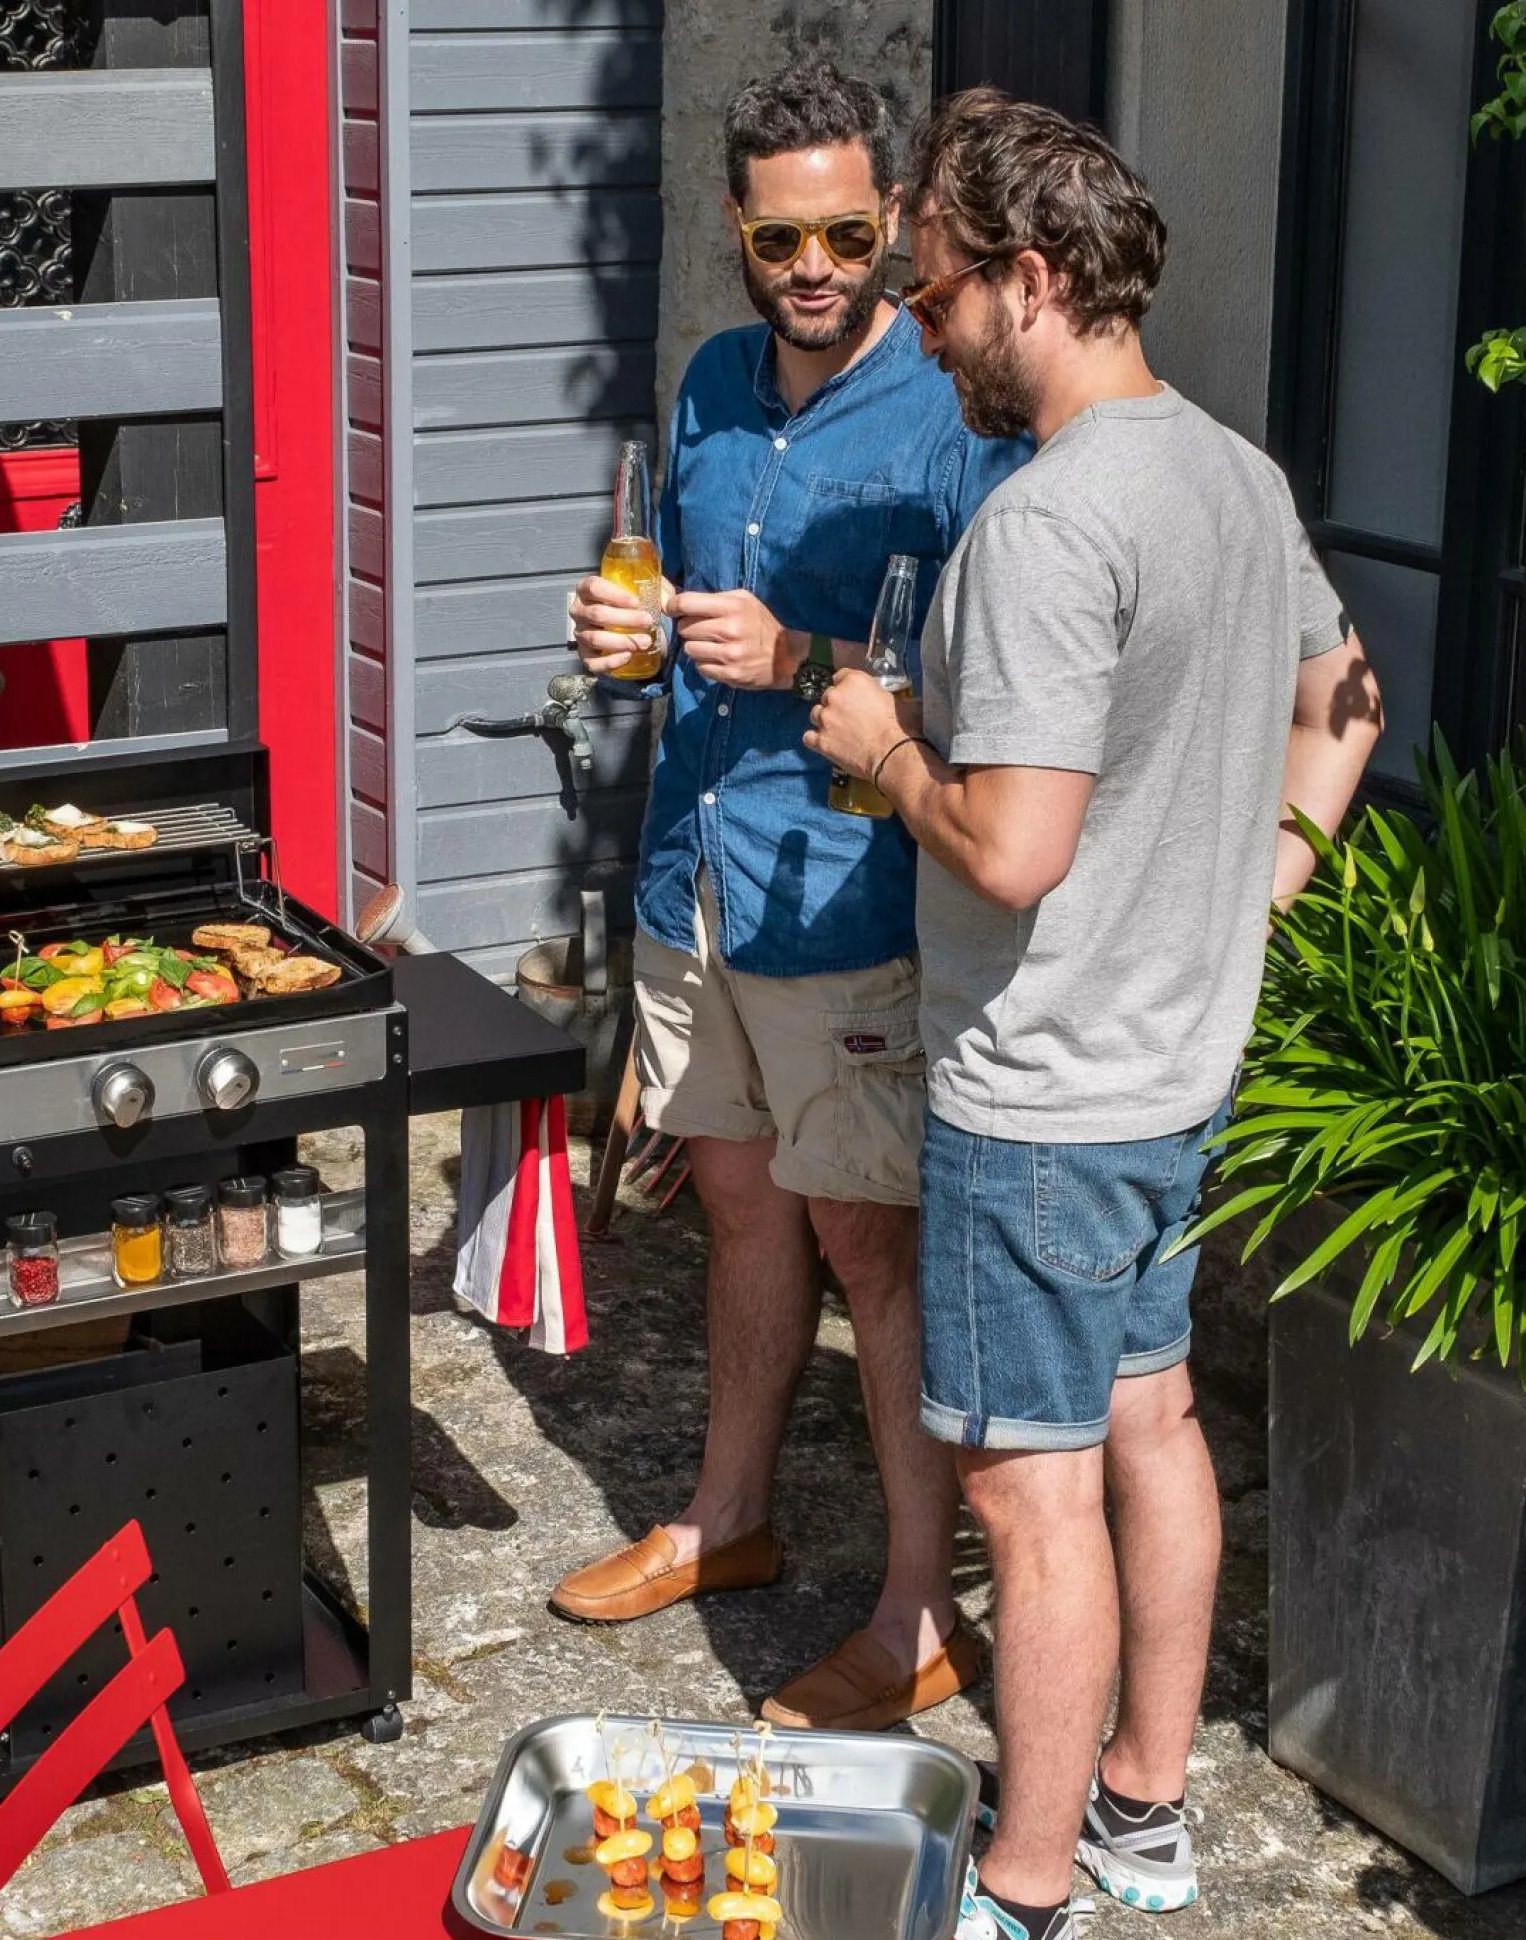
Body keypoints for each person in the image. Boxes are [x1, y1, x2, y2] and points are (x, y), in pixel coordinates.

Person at [808, 90, 1382, 1938]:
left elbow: (1016, 846)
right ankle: (1146, 1808)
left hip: (1044, 1094)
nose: (924, 323)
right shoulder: (1233, 472)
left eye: (942, 288)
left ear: (1033, 281)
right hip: (1179, 1073)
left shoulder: (1052, 526)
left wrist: (889, 748)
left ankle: (1031, 1885)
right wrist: (1257, 879)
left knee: (1029, 1502)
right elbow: (1347, 698)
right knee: (1157, 1424)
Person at [554, 57, 1027, 1733]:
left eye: (843, 230)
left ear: (892, 219)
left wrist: (810, 652)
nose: (813, 266)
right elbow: (681, 606)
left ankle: (919, 1612)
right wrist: (632, 638)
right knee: (743, 1215)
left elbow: (1002, 684)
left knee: (870, 1248)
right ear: (741, 235)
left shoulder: (955, 413)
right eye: (779, 238)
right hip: (697, 866)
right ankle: (728, 1522)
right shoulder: (705, 380)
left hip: (847, 898)